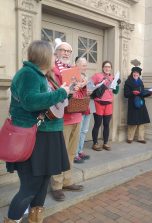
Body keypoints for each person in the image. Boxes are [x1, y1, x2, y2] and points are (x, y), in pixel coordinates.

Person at [4, 40, 70, 223]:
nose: (55, 57)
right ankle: (13, 219)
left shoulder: (44, 75)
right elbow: (32, 101)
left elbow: (51, 102)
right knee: (30, 187)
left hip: (48, 135)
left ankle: (35, 219)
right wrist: (61, 93)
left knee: (42, 183)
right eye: (52, 54)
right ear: (45, 56)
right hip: (34, 137)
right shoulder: (28, 74)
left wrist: (66, 92)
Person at [50, 38, 84, 202]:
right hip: (61, 118)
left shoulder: (73, 69)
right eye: (63, 50)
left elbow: (77, 92)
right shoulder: (52, 69)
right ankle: (56, 185)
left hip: (76, 114)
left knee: (71, 151)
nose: (66, 53)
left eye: (68, 51)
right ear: (56, 52)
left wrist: (81, 87)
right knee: (59, 153)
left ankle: (67, 180)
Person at [90, 61, 120, 151]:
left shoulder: (113, 77)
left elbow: (115, 92)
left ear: (111, 68)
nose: (107, 68)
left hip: (109, 104)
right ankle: (95, 143)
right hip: (98, 103)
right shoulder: (97, 76)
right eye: (105, 66)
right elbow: (89, 86)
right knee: (97, 124)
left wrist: (117, 84)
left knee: (106, 124)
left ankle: (105, 143)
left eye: (109, 67)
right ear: (103, 67)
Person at [124, 65, 152, 143]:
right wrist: (132, 93)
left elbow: (142, 93)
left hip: (141, 103)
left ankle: (141, 138)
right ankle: (130, 138)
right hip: (133, 104)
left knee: (142, 121)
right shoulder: (128, 82)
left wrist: (149, 93)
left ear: (139, 74)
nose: (136, 74)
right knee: (133, 121)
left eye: (137, 73)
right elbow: (125, 94)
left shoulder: (140, 82)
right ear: (132, 73)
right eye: (134, 72)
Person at [73, 57, 91, 164]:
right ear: (77, 65)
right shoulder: (73, 75)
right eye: (84, 65)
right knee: (77, 132)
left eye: (86, 65)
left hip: (85, 106)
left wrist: (89, 90)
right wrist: (82, 84)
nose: (86, 67)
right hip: (77, 106)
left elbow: (84, 91)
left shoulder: (85, 76)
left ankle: (80, 151)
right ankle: (74, 154)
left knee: (84, 131)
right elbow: (72, 90)